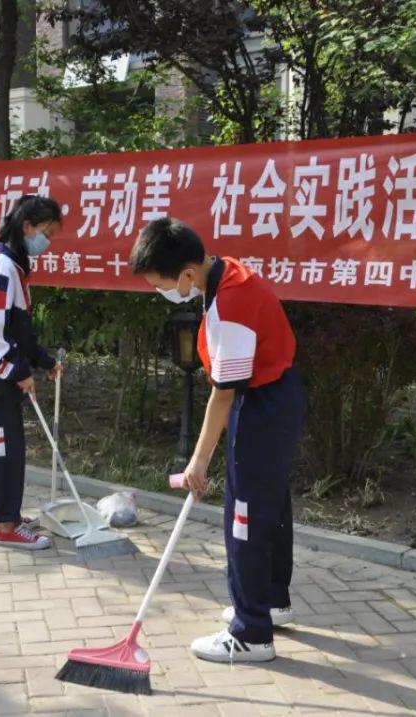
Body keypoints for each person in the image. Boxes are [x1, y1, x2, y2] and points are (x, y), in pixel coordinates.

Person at [129, 217, 306, 664]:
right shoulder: (227, 272)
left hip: (261, 406)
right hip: (279, 395)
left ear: (187, 273)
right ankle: (270, 600)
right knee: (270, 504)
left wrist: (198, 463)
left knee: (244, 515)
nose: (161, 292)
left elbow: (223, 395)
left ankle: (250, 633)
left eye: (161, 284)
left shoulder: (228, 303)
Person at [0, 195, 63, 550]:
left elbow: (20, 331)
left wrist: (45, 361)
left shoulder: (14, 267)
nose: (47, 242)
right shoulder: (4, 267)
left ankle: (4, 514)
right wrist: (14, 370)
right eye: (46, 233)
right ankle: (6, 526)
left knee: (8, 447)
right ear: (27, 227)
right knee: (3, 449)